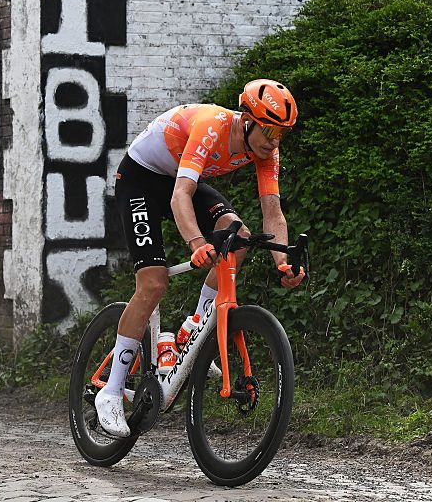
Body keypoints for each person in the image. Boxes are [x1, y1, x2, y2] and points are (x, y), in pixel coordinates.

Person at [95, 78, 307, 437]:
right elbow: (181, 196)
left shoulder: (267, 151)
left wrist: (282, 263)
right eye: (269, 130)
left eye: (281, 134)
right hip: (141, 181)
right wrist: (196, 242)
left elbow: (273, 211)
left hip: (178, 180)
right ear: (247, 119)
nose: (273, 142)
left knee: (238, 238)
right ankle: (112, 392)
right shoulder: (213, 126)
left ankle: (194, 327)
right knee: (154, 282)